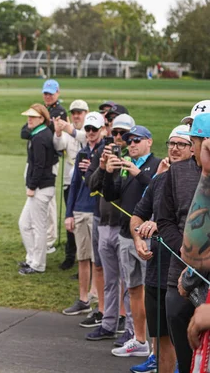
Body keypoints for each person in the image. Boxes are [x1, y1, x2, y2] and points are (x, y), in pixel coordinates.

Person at [128, 126, 192, 373]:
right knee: (161, 341)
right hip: (156, 269)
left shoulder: (199, 181)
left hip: (182, 275)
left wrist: (162, 224)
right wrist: (138, 238)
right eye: (171, 143)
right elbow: (137, 215)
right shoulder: (159, 180)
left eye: (182, 144)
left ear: (194, 149)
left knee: (185, 340)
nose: (175, 148)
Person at [157, 112, 210, 373]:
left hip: (202, 280)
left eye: (195, 138)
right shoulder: (176, 173)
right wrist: (184, 251)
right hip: (180, 275)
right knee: (186, 351)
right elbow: (164, 220)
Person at [103, 125, 161, 358]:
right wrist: (108, 172)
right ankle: (139, 340)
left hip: (149, 238)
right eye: (129, 141)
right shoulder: (125, 165)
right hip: (127, 236)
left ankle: (156, 348)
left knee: (153, 292)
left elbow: (158, 190)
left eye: (137, 140)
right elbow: (110, 195)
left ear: (149, 142)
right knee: (133, 289)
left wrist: (136, 173)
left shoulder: (157, 165)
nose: (132, 144)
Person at [85, 113, 136, 344]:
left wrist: (123, 167)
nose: (117, 138)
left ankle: (132, 329)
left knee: (130, 281)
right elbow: (92, 186)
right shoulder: (103, 154)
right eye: (114, 132)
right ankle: (108, 323)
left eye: (123, 134)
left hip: (124, 227)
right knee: (110, 279)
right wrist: (104, 167)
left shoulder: (134, 158)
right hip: (104, 223)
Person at [62, 112, 104, 316]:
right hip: (80, 209)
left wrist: (92, 170)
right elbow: (75, 185)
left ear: (102, 130)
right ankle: (83, 298)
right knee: (83, 257)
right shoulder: (81, 153)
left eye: (94, 129)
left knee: (98, 259)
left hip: (97, 211)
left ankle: (97, 297)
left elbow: (103, 184)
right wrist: (68, 213)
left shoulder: (106, 153)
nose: (90, 133)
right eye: (87, 129)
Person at [17, 104, 57, 275]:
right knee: (24, 224)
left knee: (38, 227)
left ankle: (38, 265)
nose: (29, 120)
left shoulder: (41, 137)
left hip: (41, 188)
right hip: (40, 187)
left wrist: (31, 186)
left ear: (42, 119)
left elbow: (40, 165)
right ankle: (31, 258)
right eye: (28, 117)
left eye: (32, 117)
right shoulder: (38, 134)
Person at [53, 100, 88, 270]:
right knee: (70, 221)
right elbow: (59, 146)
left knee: (84, 223)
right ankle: (70, 255)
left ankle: (85, 259)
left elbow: (86, 139)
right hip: (70, 183)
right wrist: (59, 132)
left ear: (86, 113)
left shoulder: (90, 130)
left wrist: (70, 130)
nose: (76, 115)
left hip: (87, 185)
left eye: (79, 112)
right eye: (73, 112)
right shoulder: (68, 131)